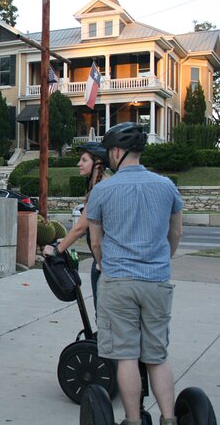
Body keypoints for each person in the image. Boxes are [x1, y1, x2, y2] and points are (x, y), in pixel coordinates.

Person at [86, 123, 183, 425]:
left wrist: (101, 263)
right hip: (156, 281)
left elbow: (95, 241)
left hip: (118, 281)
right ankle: (169, 419)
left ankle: (132, 420)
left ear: (116, 151)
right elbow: (176, 232)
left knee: (126, 355)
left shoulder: (102, 190)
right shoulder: (166, 186)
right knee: (156, 356)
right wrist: (162, 259)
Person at [43, 142, 108, 309]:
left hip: (103, 261)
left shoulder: (100, 189)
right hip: (109, 258)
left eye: (84, 160)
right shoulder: (104, 185)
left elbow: (80, 227)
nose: (79, 163)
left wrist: (58, 249)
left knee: (102, 315)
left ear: (98, 163)